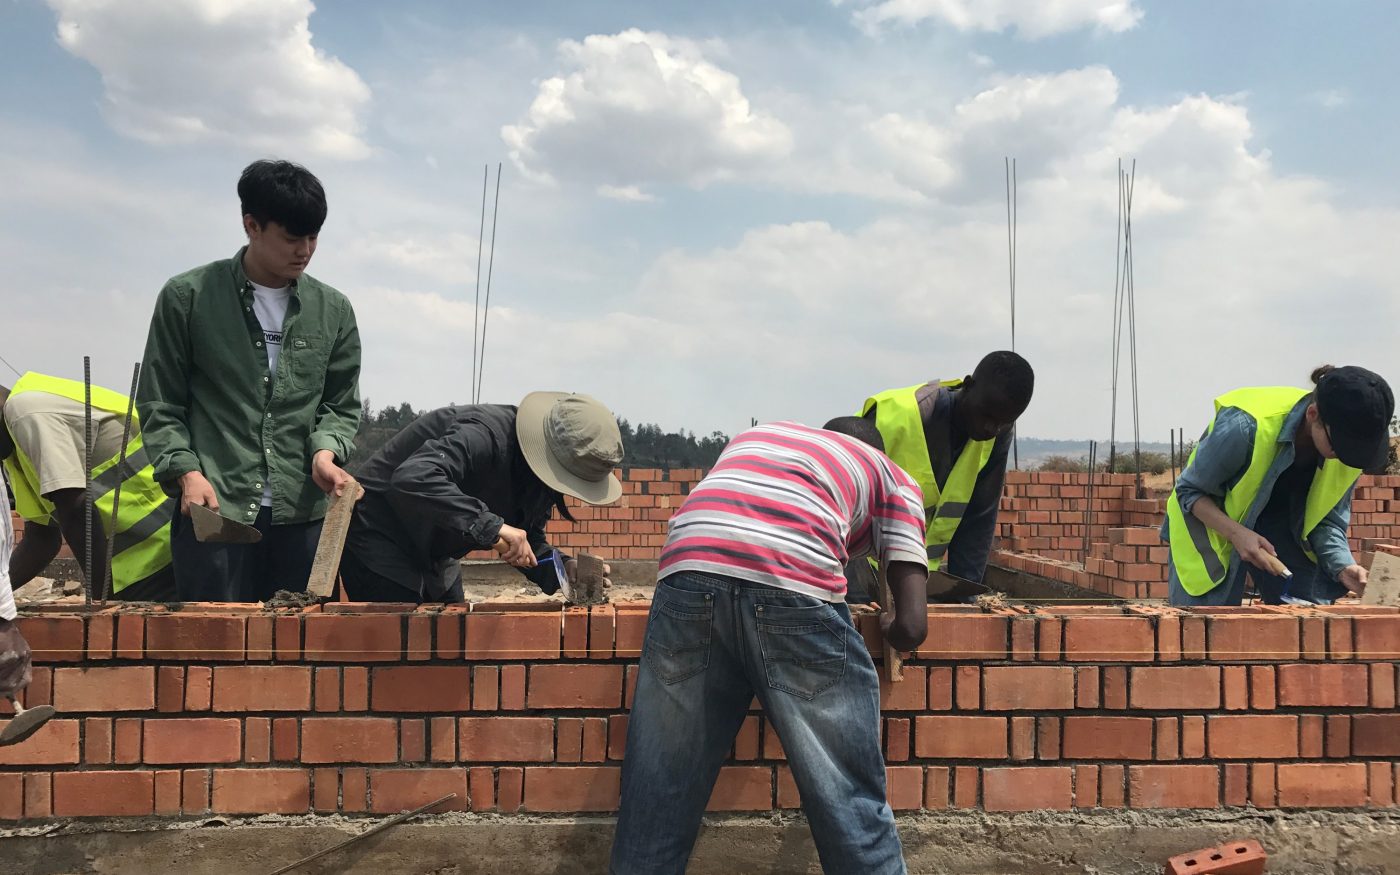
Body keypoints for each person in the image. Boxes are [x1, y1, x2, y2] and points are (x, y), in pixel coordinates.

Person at [610, 417, 930, 875]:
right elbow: (913, 627)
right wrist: (889, 625)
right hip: (793, 579)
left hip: (690, 564)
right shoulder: (894, 477)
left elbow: (740, 534)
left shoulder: (758, 438)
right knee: (847, 795)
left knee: (660, 788)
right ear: (876, 451)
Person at [136, 159, 361, 602]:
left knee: (302, 658)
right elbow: (161, 403)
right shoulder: (189, 297)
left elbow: (340, 404)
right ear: (251, 225)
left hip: (303, 515)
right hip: (217, 511)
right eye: (292, 238)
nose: (305, 250)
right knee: (213, 657)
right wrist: (187, 473)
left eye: (313, 237)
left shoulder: (333, 310)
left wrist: (325, 453)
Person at [340, 392, 624, 603]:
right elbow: (414, 477)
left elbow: (527, 541)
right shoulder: (483, 435)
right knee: (405, 647)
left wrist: (563, 567)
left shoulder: (539, 483)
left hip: (437, 550)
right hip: (380, 533)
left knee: (452, 642)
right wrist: (493, 526)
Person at [1165, 365, 1393, 606]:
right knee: (1205, 630)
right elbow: (1189, 491)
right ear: (1313, 414)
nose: (1346, 457)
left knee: (1310, 620)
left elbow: (1326, 521)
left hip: (1281, 530)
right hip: (1209, 527)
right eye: (1340, 446)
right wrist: (1237, 534)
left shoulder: (1349, 451)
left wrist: (1343, 567)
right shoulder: (1246, 426)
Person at [849, 350, 1035, 601]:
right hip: (861, 570)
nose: (991, 428)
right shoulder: (895, 416)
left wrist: (962, 602)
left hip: (917, 578)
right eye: (987, 415)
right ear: (967, 386)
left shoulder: (996, 436)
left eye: (1004, 422)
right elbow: (846, 502)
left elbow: (978, 521)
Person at [2, 373, 174, 600]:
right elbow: (41, 540)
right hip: (140, 564)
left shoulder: (26, 411)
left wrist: (102, 600)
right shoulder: (15, 456)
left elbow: (76, 509)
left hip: (169, 546)